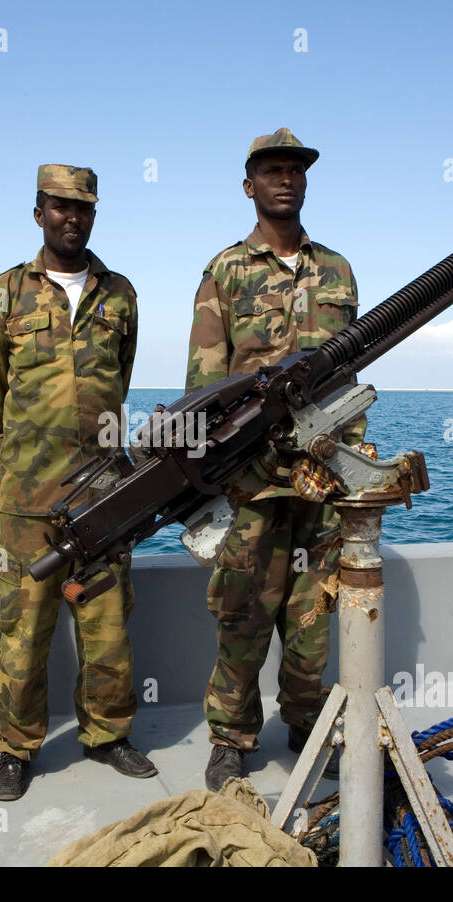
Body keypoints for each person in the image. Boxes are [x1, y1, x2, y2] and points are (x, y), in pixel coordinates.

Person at [184, 128, 364, 791]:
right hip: (252, 481)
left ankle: (307, 719)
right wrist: (219, 471)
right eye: (271, 170)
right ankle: (231, 737)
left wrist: (350, 463)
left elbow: (352, 378)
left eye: (294, 169)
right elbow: (202, 385)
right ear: (249, 186)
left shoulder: (338, 270)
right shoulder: (227, 270)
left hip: (321, 475)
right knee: (243, 611)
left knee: (314, 610)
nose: (285, 179)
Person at [0, 164, 156, 801]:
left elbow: (120, 382)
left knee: (107, 627)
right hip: (27, 498)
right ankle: (16, 748)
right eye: (59, 207)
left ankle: (108, 735)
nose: (71, 218)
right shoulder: (2, 293)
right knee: (24, 630)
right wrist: (18, 454)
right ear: (38, 211)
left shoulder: (120, 295)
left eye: (83, 209)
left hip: (107, 491)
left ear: (94, 215)